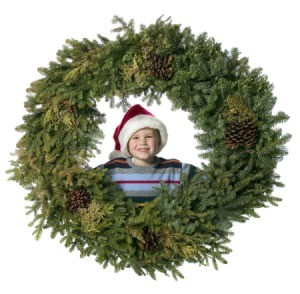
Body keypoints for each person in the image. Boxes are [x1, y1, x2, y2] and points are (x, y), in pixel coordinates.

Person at [100, 104, 198, 203]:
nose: (142, 142)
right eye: (135, 137)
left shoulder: (174, 170)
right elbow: (86, 179)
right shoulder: (113, 169)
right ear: (127, 144)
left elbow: (206, 179)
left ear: (159, 141)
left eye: (149, 137)